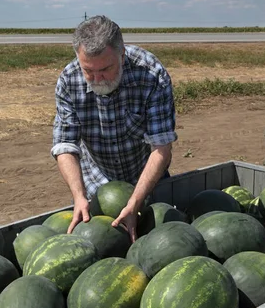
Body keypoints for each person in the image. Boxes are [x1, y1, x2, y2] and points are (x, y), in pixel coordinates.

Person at [51, 15, 177, 242]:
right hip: (95, 187)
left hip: (147, 183)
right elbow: (65, 145)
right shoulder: (69, 80)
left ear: (122, 54)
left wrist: (136, 201)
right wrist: (79, 196)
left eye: (106, 69)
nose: (97, 78)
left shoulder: (151, 75)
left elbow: (161, 147)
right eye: (88, 70)